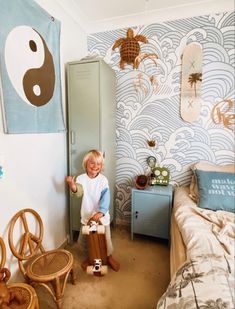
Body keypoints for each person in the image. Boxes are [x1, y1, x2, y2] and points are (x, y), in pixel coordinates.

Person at [65, 149, 120, 272]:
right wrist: (72, 185)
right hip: (87, 217)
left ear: (101, 166)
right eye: (92, 163)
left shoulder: (103, 180)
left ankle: (108, 257)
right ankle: (90, 257)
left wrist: (101, 212)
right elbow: (78, 192)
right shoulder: (81, 178)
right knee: (84, 240)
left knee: (105, 239)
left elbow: (106, 198)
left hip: (101, 218)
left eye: (98, 164)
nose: (95, 166)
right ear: (86, 164)